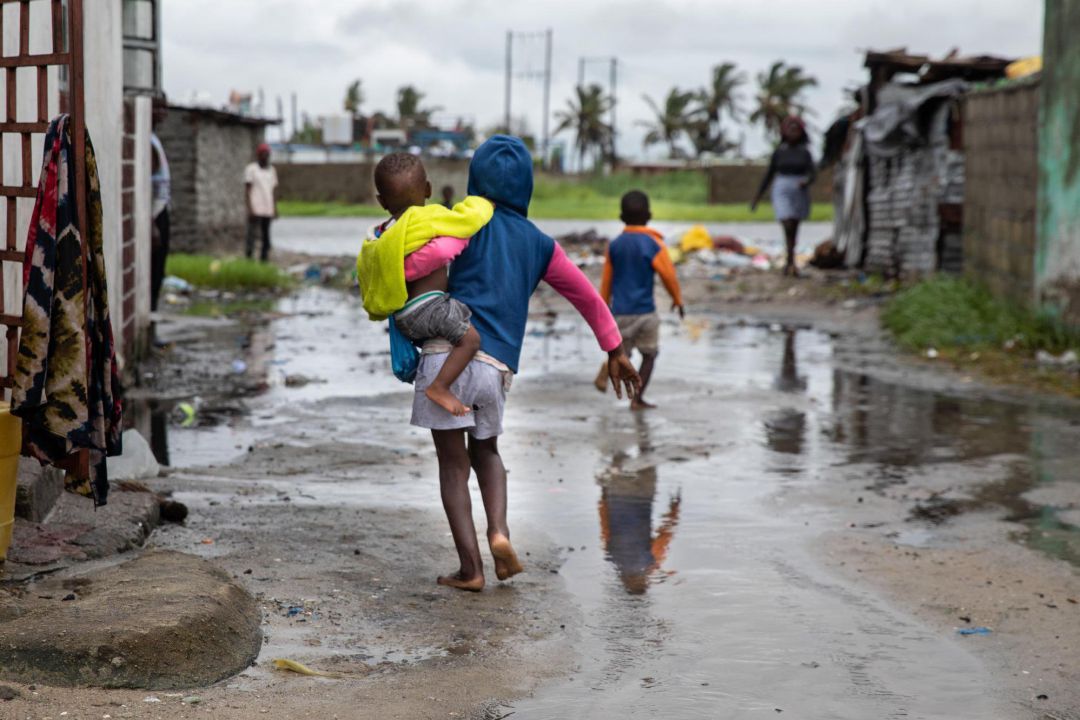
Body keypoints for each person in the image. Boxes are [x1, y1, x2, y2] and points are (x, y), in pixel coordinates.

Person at [410, 135, 640, 592]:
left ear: (476, 181)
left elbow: (419, 258)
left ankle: (471, 569)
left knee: (453, 466)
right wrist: (614, 347)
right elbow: (584, 295)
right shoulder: (540, 243)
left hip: (446, 353)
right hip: (496, 367)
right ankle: (500, 531)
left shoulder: (463, 223)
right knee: (488, 453)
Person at [356, 153, 491, 416]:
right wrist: (484, 204)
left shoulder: (382, 235)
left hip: (403, 318)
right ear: (428, 189)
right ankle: (439, 387)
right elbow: (467, 222)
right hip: (427, 309)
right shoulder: (426, 218)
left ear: (381, 201)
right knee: (471, 340)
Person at [594, 190, 684, 410]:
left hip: (620, 313)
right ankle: (637, 398)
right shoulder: (654, 244)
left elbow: (607, 280)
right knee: (649, 355)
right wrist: (677, 299)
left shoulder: (614, 245)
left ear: (621, 217)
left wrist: (603, 307)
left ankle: (608, 366)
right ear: (649, 215)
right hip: (645, 313)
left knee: (621, 354)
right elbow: (668, 276)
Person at [751, 116, 816, 276]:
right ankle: (789, 260)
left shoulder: (805, 153)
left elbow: (813, 173)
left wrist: (806, 182)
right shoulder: (779, 152)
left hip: (799, 188)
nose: (793, 132)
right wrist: (757, 198)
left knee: (794, 224)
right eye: (790, 129)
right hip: (782, 187)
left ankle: (791, 261)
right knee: (786, 221)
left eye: (796, 129)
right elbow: (769, 175)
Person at [150, 96, 170, 318]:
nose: (162, 111)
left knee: (158, 272)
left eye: (165, 107)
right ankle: (151, 322)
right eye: (157, 106)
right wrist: (151, 223)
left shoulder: (154, 139)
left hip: (161, 210)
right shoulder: (148, 142)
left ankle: (153, 322)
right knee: (154, 273)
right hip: (155, 216)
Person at [244, 143, 278, 261]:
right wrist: (250, 208)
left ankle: (264, 258)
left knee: (266, 235)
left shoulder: (272, 170)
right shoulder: (251, 169)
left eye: (267, 154)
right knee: (251, 234)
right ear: (258, 155)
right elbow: (247, 190)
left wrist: (275, 209)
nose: (265, 156)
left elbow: (273, 191)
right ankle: (249, 257)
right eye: (263, 154)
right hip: (255, 207)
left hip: (267, 208)